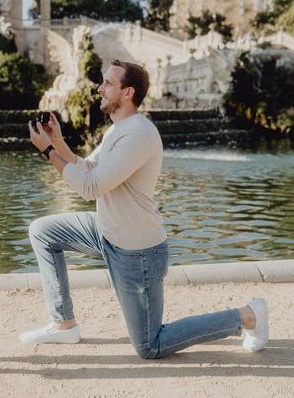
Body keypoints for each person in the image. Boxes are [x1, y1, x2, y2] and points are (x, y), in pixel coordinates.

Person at [21, 59, 268, 358]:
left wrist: (47, 152)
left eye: (108, 84)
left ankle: (246, 316)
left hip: (137, 251)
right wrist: (58, 142)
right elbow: (88, 169)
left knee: (151, 345)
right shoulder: (119, 129)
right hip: (108, 230)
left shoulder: (138, 134)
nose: (100, 88)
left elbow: (90, 188)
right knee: (43, 232)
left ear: (128, 93)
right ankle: (64, 324)